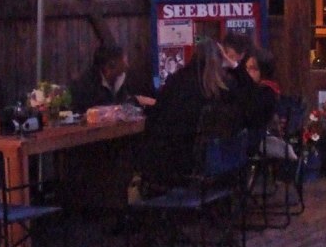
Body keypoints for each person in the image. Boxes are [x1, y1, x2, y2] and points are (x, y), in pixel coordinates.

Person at [143, 38, 244, 186]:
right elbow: (248, 98)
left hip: (174, 157)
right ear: (220, 59)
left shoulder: (176, 81)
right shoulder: (225, 87)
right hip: (215, 160)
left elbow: (157, 116)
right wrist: (234, 65)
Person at [68, 44, 155, 113]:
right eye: (124, 60)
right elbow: (89, 111)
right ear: (112, 64)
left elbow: (130, 101)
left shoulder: (126, 78)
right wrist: (135, 101)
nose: (127, 65)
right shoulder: (85, 84)